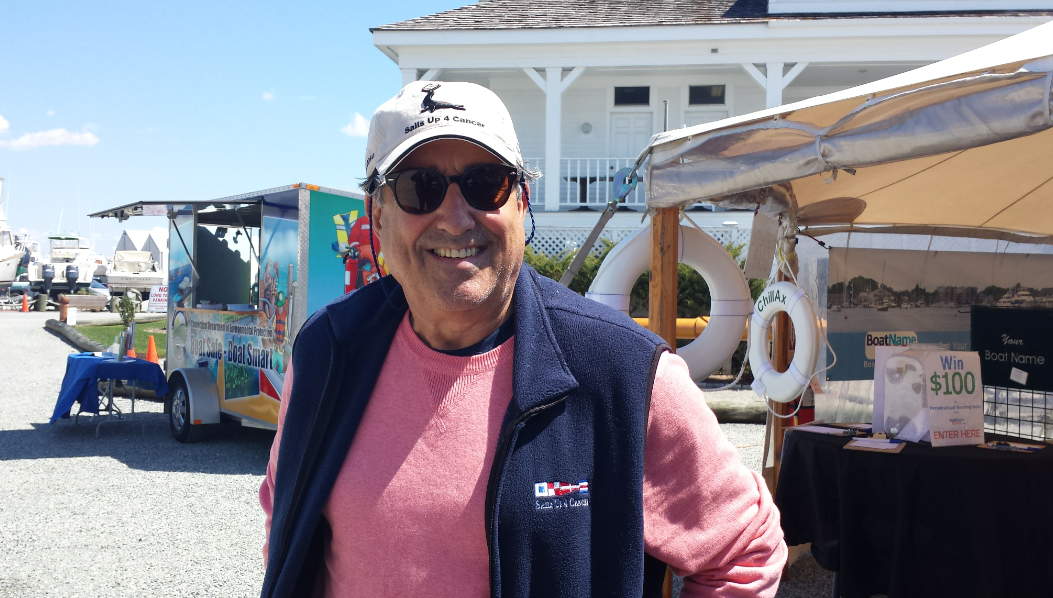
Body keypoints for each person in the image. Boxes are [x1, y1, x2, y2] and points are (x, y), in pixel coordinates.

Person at [259, 81, 785, 598]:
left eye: (485, 183)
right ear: (377, 214)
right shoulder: (327, 351)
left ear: (521, 201)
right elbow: (285, 522)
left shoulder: (625, 375)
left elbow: (747, 551)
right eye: (420, 187)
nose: (455, 218)